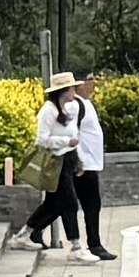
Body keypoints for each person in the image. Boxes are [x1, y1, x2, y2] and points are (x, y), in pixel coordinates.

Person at [27, 71, 111, 257]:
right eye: (89, 80)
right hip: (68, 161)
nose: (93, 84)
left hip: (78, 160)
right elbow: (48, 138)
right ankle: (80, 246)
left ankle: (30, 233)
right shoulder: (66, 107)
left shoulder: (75, 105)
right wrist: (69, 146)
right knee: (69, 203)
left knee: (61, 203)